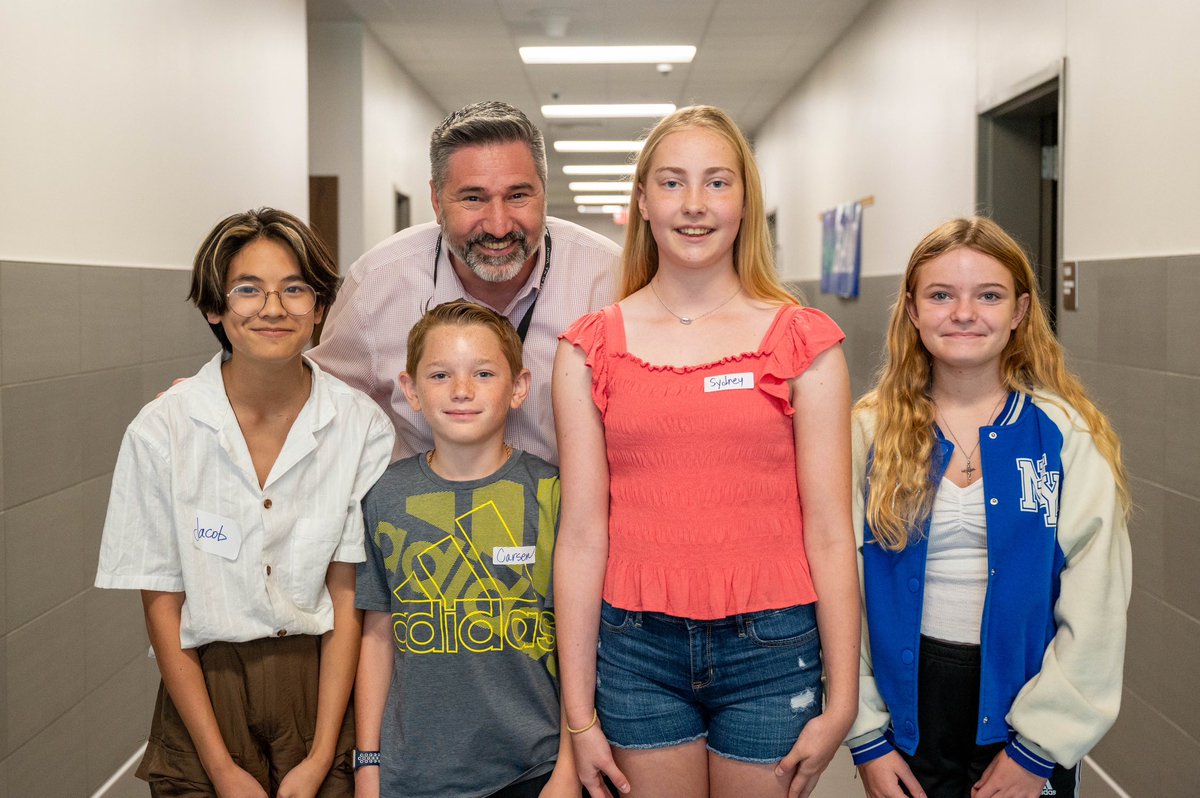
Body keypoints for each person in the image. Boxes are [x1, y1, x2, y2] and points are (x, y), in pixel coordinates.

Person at [552, 105, 860, 798]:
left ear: (746, 201)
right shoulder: (587, 348)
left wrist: (843, 700)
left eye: (718, 183)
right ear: (642, 202)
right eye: (672, 183)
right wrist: (578, 717)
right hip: (636, 652)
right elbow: (579, 538)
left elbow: (833, 534)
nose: (695, 205)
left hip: (773, 649)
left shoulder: (802, 342)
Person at [94, 208, 395, 796]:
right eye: (248, 290)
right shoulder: (162, 431)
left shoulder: (362, 427)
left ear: (320, 306)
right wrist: (221, 767)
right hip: (206, 689)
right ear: (215, 307)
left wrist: (318, 759)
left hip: (323, 686)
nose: (274, 308)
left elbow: (345, 593)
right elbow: (162, 602)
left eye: (295, 289)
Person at [846, 217, 1132, 798]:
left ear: (1020, 311)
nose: (964, 313)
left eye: (990, 295)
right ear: (912, 308)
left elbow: (1097, 600)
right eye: (941, 295)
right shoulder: (867, 431)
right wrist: (866, 734)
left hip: (1022, 709)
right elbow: (835, 583)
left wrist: (1039, 749)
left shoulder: (1064, 434)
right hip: (906, 712)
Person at [311, 100, 621, 464]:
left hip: (567, 513)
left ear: (544, 193)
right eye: (473, 198)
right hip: (421, 515)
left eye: (518, 196)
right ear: (437, 201)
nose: (499, 225)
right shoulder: (378, 284)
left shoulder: (608, 278)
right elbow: (324, 416)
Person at [353, 300, 577, 798]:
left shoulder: (553, 494)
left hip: (534, 768)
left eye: (483, 372)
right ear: (409, 389)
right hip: (414, 775)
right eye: (438, 375)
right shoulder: (384, 497)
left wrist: (569, 766)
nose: (461, 391)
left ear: (519, 387)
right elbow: (377, 635)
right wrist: (368, 764)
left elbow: (577, 640)